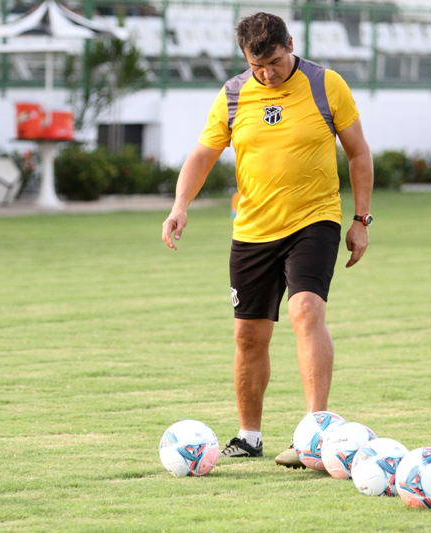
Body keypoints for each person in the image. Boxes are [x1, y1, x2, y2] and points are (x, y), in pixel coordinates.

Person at [161, 12, 373, 468]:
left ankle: (315, 435)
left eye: (275, 63)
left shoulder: (325, 84)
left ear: (290, 44)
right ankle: (249, 436)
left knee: (305, 310)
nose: (267, 74)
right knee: (248, 337)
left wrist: (361, 219)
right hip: (253, 230)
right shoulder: (234, 94)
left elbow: (358, 152)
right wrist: (180, 206)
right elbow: (203, 154)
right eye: (257, 66)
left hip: (313, 221)